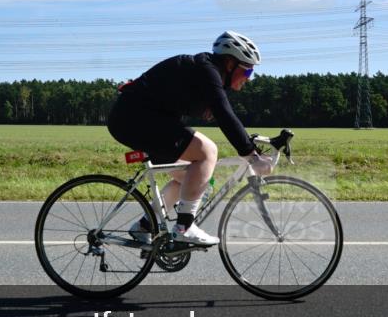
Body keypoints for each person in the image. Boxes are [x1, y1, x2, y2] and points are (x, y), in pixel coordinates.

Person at [106, 31, 273, 246]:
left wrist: (251, 147)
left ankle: (144, 226)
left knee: (195, 180)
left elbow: (224, 114)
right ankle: (184, 227)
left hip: (139, 119)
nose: (249, 77)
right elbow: (224, 115)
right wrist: (251, 154)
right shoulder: (207, 71)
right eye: (248, 70)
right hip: (134, 118)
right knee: (207, 151)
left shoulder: (209, 74)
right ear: (230, 63)